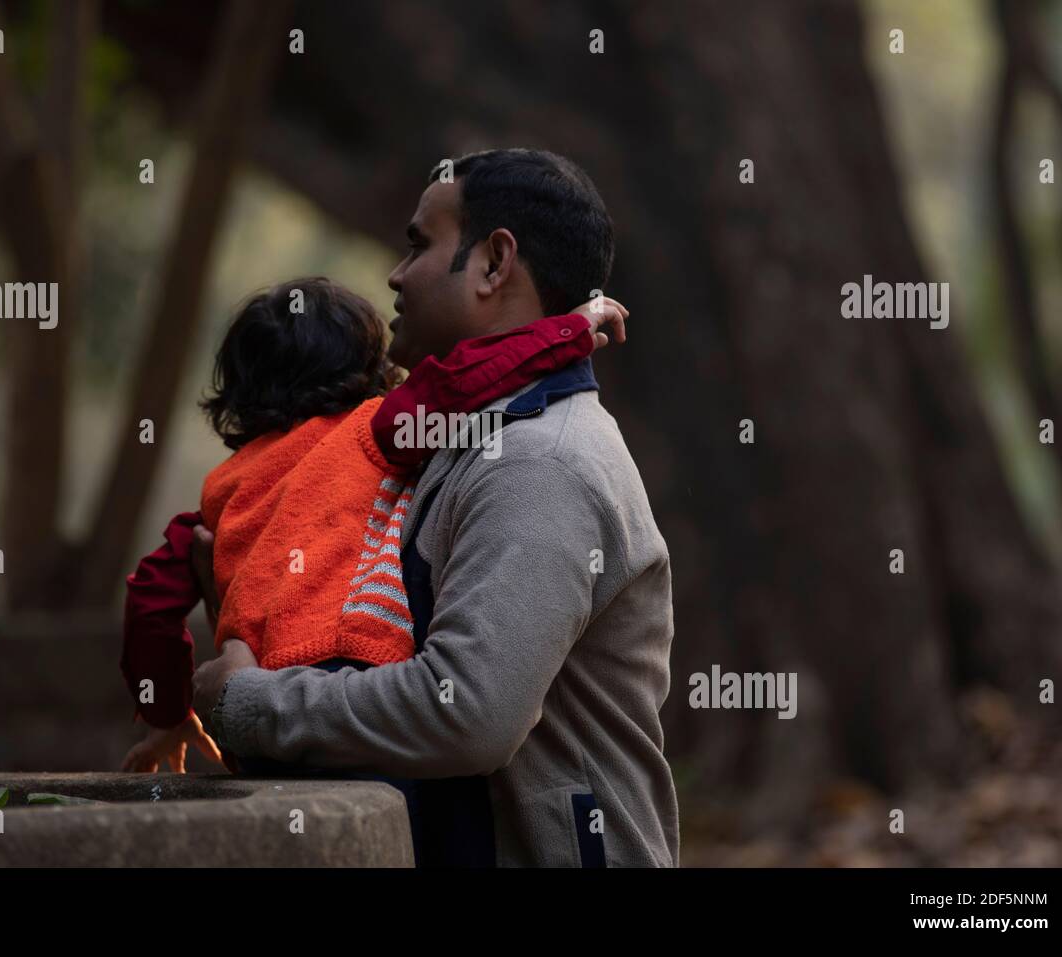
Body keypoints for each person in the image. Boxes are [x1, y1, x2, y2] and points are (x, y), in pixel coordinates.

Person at [194, 149, 680, 867]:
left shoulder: (539, 463)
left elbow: (466, 713)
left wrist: (249, 702)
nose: (394, 274)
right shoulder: (462, 438)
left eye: (420, 244)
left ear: (493, 264)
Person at [118, 276, 626, 775]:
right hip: (350, 673)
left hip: (253, 700)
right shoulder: (376, 429)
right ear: (367, 367)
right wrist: (565, 333)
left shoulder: (221, 491)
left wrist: (168, 714)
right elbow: (466, 379)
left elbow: (150, 603)